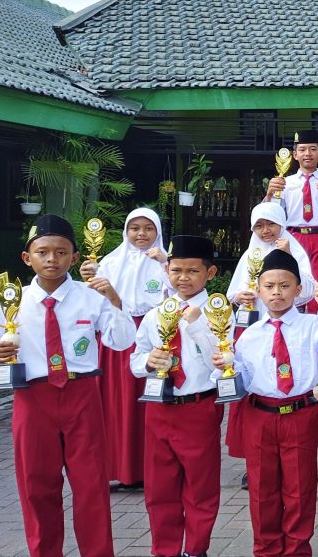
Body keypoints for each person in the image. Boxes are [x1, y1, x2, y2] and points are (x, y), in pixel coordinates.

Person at [0, 215, 135, 557]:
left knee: (91, 485)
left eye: (61, 252)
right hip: (32, 398)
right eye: (42, 252)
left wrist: (115, 300)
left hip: (82, 395)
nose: (52, 259)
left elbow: (121, 340)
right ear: (27, 257)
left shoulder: (90, 296)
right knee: (36, 486)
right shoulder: (14, 300)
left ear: (75, 256)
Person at [213, 249, 318, 557]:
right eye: (269, 286)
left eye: (284, 286)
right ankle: (266, 549)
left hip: (299, 413)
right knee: (261, 488)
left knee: (299, 487)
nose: (276, 293)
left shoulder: (312, 325)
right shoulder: (249, 335)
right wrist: (226, 366)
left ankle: (297, 549)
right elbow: (243, 377)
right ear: (258, 290)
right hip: (260, 414)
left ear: (298, 290)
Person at [130, 235, 223, 557]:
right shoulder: (156, 314)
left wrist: (198, 326)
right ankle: (164, 550)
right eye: (176, 270)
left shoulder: (218, 312)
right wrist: (148, 361)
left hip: (198, 406)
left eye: (193, 271)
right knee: (160, 487)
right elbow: (135, 359)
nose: (184, 278)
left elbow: (222, 359)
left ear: (210, 273)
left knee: (200, 485)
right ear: (167, 270)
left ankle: (196, 549)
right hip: (159, 407)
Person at [224, 202, 317, 479]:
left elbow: (307, 290)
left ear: (282, 224)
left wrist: (288, 256)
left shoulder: (295, 249)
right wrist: (240, 296)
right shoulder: (250, 254)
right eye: (259, 226)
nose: (266, 231)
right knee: (252, 390)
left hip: (286, 327)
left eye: (271, 224)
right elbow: (232, 292)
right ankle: (250, 456)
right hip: (252, 329)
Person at [79, 206, 167, 491]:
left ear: (157, 232)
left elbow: (178, 295)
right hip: (118, 335)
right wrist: (87, 277)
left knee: (147, 403)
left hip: (153, 335)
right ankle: (117, 468)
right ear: (126, 232)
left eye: (148, 228)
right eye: (135, 228)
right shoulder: (109, 262)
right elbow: (93, 300)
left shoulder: (166, 262)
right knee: (116, 402)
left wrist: (165, 263)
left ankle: (148, 469)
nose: (141, 234)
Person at [263, 129, 318, 312]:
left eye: (313, 149)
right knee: (290, 277)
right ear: (295, 155)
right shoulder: (285, 182)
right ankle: (290, 319)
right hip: (292, 238)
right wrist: (269, 194)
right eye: (302, 149)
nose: (307, 153)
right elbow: (270, 213)